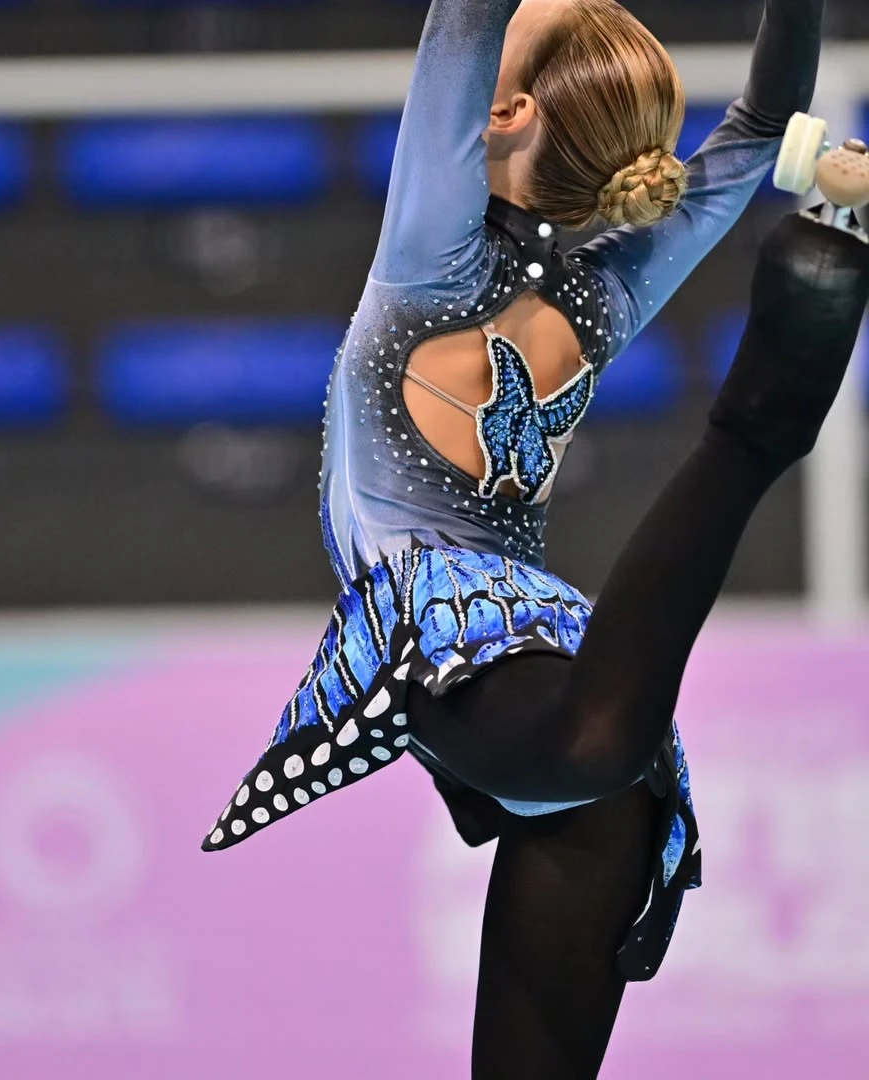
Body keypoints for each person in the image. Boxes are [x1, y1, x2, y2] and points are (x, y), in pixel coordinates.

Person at [201, 1, 847, 1076]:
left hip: (480, 641)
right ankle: (753, 433)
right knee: (597, 758)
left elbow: (466, 11)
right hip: (543, 668)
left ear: (501, 110)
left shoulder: (430, 252)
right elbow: (766, 122)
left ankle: (753, 432)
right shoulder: (608, 290)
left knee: (597, 748)